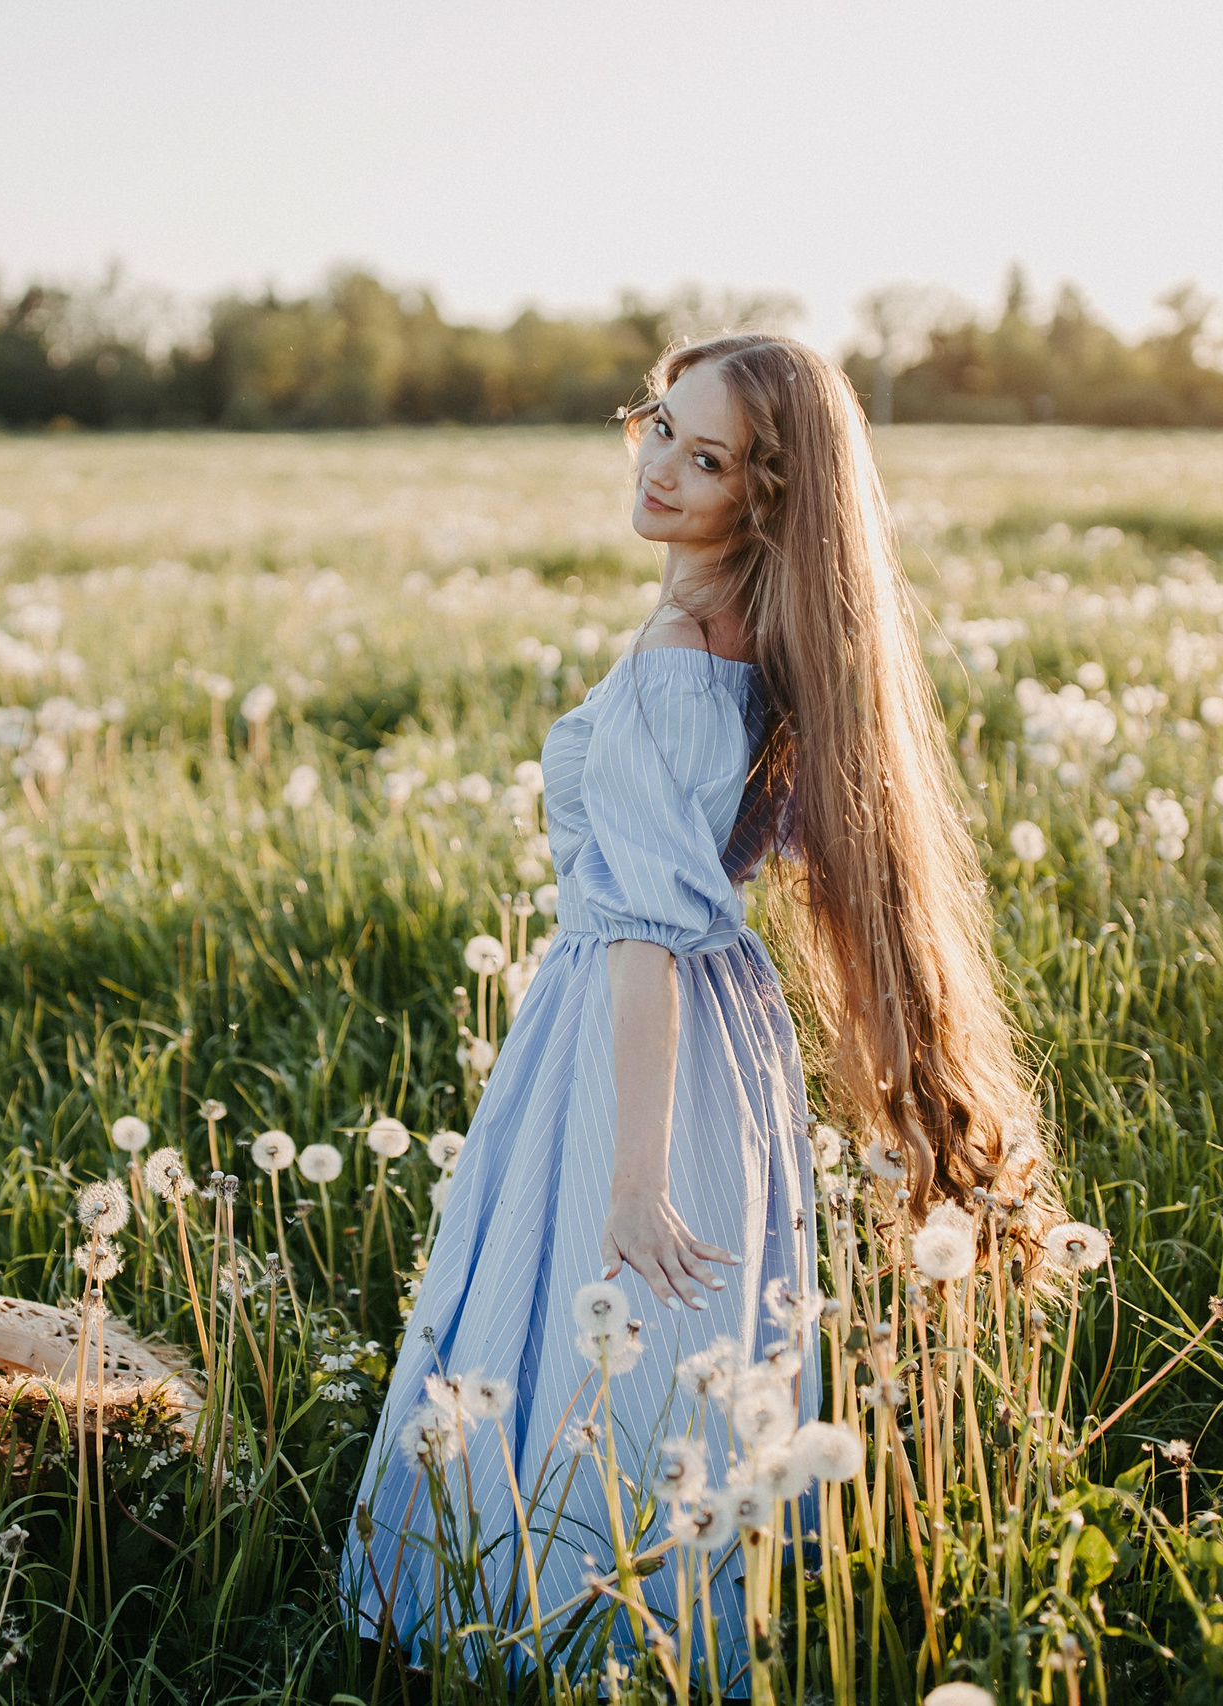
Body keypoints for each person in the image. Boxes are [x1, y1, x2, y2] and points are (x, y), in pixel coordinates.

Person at [345, 332, 1046, 1688]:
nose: (662, 466)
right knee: (685, 1353)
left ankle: (557, 1629)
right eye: (659, 424)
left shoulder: (684, 649)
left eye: (707, 454)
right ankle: (678, 1627)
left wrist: (633, 1170)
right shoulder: (765, 637)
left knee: (597, 1319)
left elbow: (651, 933)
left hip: (633, 1036)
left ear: (763, 495)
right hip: (720, 1032)